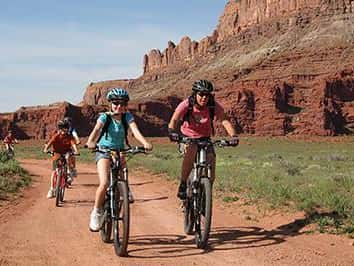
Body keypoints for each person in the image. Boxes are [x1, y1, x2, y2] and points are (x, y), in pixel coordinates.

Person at [86, 88, 152, 232]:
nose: (119, 106)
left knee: (123, 167)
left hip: (120, 150)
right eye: (116, 103)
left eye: (122, 104)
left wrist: (144, 143)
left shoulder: (127, 116)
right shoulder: (105, 117)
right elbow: (96, 130)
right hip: (103, 150)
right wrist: (91, 142)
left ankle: (124, 188)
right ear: (110, 103)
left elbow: (135, 131)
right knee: (104, 183)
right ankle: (96, 212)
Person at [167, 79, 239, 200]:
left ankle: (206, 194)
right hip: (188, 137)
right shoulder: (186, 104)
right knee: (191, 150)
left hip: (205, 138)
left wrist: (233, 136)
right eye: (201, 94)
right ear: (195, 94)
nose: (204, 98)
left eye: (207, 95)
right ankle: (183, 184)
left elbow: (224, 120)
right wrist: (171, 132)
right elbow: (174, 119)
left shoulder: (212, 105)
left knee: (211, 159)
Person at [43, 120, 79, 199]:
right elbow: (50, 143)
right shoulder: (56, 136)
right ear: (59, 128)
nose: (63, 130)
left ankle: (69, 172)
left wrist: (76, 151)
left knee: (68, 156)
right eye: (61, 128)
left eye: (65, 128)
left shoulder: (69, 137)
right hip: (57, 153)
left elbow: (73, 144)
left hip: (66, 152)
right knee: (54, 171)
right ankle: (52, 189)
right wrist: (46, 149)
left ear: (67, 128)